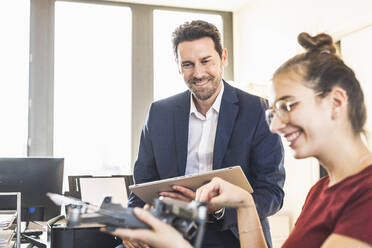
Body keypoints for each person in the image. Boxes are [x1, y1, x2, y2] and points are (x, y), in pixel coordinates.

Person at [106, 32, 372, 248]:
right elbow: (142, 183)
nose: (276, 125)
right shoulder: (320, 191)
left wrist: (184, 239)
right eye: (275, 111)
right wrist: (243, 203)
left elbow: (271, 192)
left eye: (287, 107)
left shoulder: (364, 194)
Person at [124, 20, 285, 248]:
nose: (198, 73)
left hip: (232, 233)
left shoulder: (258, 111)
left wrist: (219, 208)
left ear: (223, 57)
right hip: (169, 229)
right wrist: (132, 223)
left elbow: (272, 193)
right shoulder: (159, 113)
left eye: (206, 61)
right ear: (179, 66)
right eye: (188, 64)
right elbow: (142, 186)